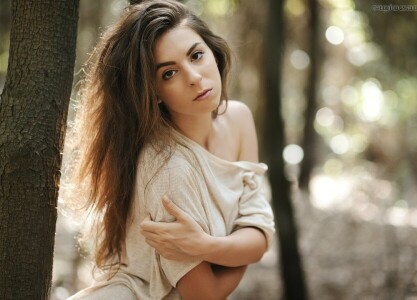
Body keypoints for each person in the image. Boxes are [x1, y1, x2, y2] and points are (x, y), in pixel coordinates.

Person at [66, 0, 275, 299]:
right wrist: (242, 249)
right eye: (169, 73)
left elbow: (259, 232)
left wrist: (206, 246)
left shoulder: (239, 118)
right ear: (155, 94)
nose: (193, 77)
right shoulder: (168, 169)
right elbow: (206, 295)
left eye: (196, 55)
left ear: (213, 53)